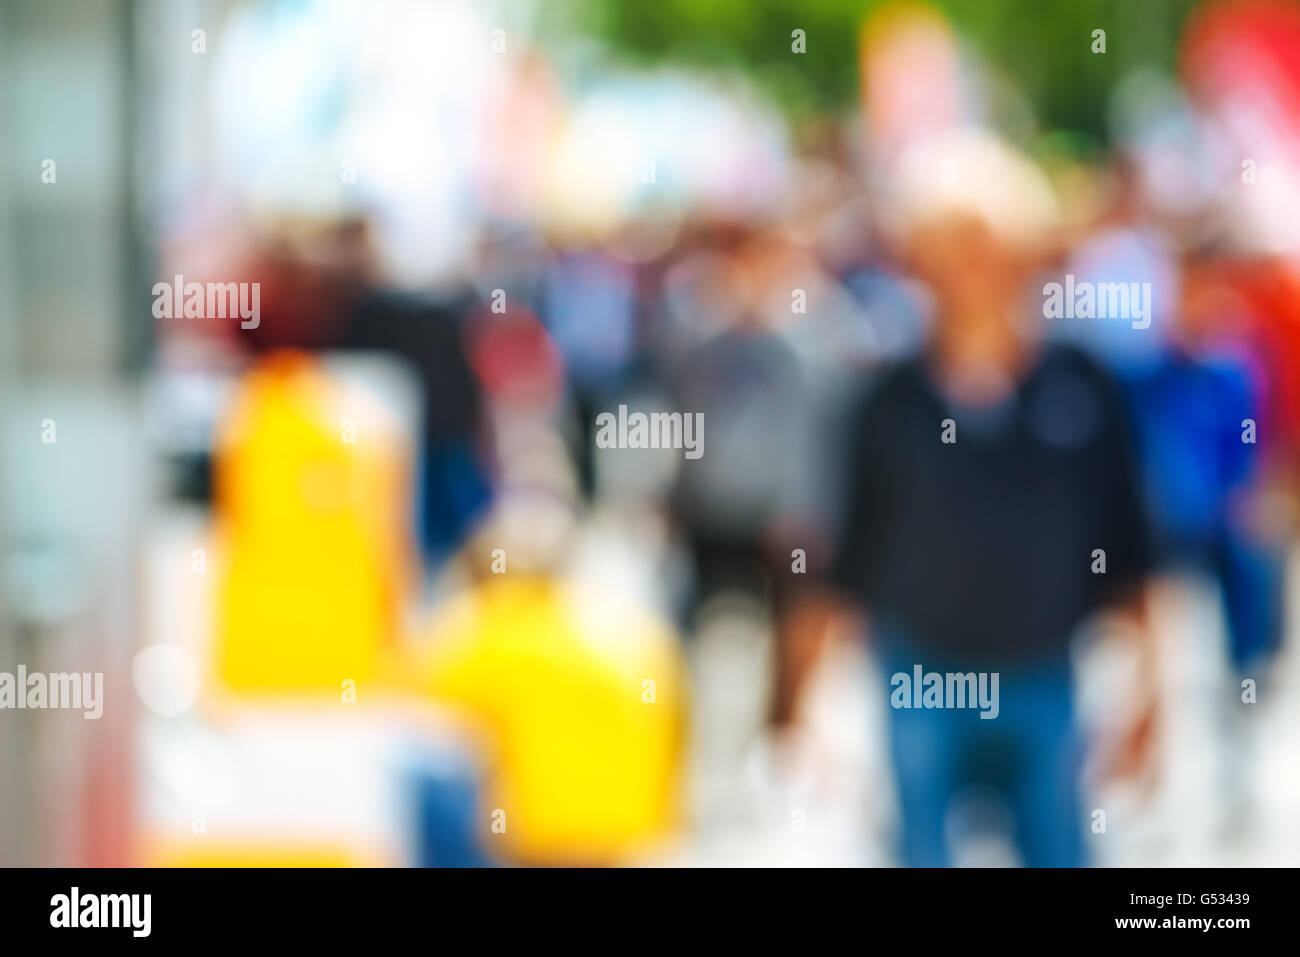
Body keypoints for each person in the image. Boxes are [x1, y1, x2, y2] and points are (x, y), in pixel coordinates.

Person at [828, 129, 1156, 866]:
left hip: (1045, 667)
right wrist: (810, 706)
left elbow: (1127, 538)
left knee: (1057, 847)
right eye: (951, 251)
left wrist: (1150, 686)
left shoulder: (1082, 385)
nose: (973, 272)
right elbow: (852, 547)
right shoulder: (887, 399)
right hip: (920, 668)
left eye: (990, 249)